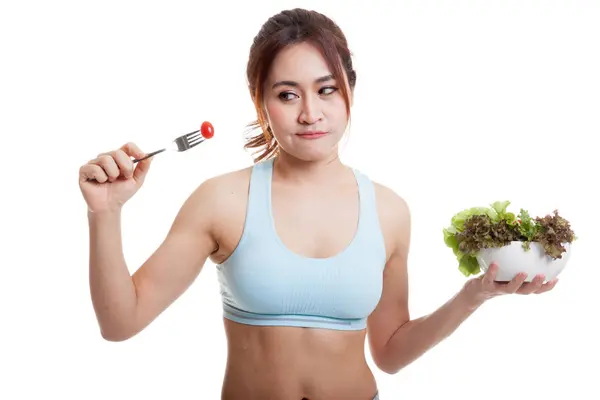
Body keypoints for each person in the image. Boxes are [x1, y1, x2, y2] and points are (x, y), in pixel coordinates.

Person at [78, 8, 559, 400]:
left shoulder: (390, 211)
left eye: (327, 89)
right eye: (287, 94)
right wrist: (106, 214)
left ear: (351, 88)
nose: (310, 113)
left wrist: (476, 294)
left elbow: (390, 353)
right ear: (260, 101)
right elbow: (121, 323)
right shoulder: (221, 200)